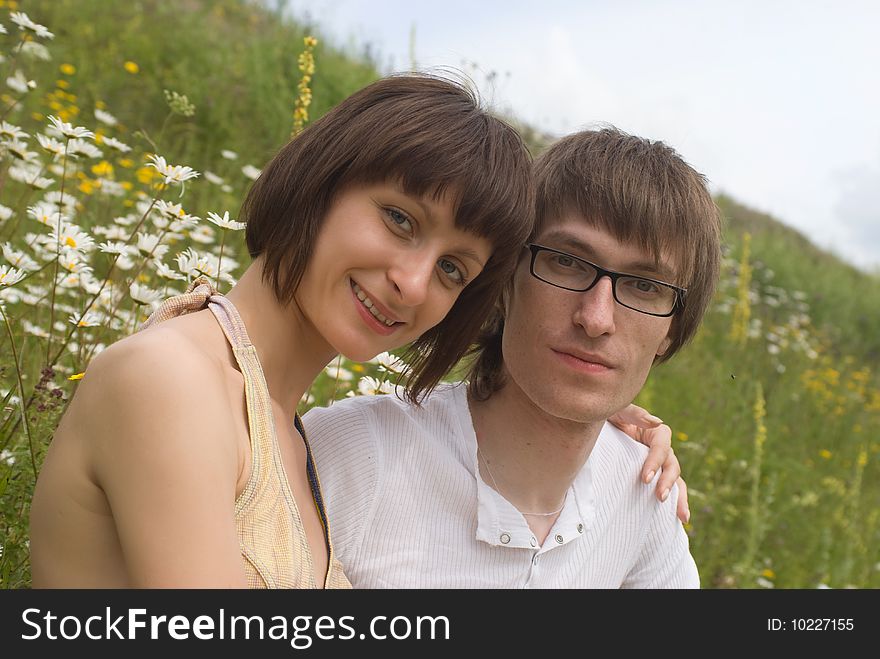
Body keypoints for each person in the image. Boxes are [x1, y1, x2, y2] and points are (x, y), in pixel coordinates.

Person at [28, 74, 535, 588]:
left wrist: (602, 439)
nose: (412, 283)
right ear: (323, 181)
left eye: (452, 269)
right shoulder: (173, 378)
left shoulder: (291, 435)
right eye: (400, 220)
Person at [304, 127, 721, 588]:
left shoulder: (645, 497)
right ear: (504, 280)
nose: (596, 318)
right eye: (567, 262)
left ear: (671, 330)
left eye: (645, 286)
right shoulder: (353, 453)